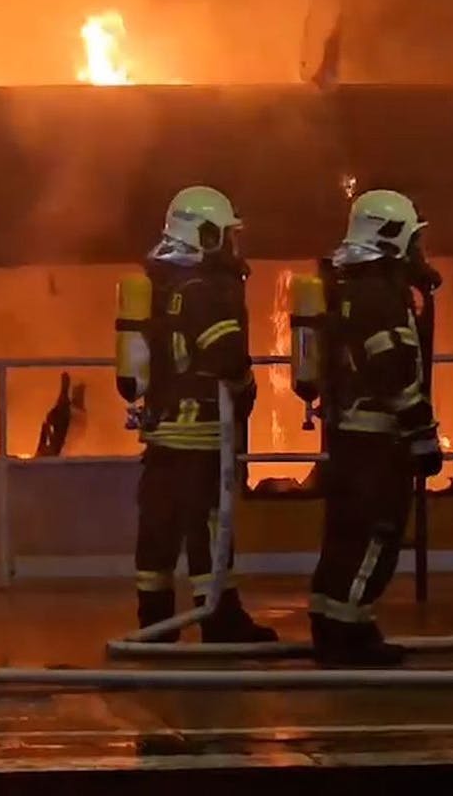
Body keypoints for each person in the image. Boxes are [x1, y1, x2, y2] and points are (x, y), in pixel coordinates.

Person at [133, 186, 277, 644]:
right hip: (201, 433)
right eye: (227, 234)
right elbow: (227, 356)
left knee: (158, 530)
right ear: (207, 235)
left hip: (161, 432)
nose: (232, 244)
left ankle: (155, 622)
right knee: (210, 527)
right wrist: (247, 388)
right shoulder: (207, 290)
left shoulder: (160, 283)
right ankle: (219, 618)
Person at [309, 188, 444, 666]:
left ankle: (338, 623)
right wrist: (421, 433)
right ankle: (347, 633)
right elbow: (393, 369)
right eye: (413, 241)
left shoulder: (351, 288)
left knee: (344, 537)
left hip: (351, 438)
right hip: (378, 443)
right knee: (375, 535)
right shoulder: (380, 296)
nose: (419, 252)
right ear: (390, 239)